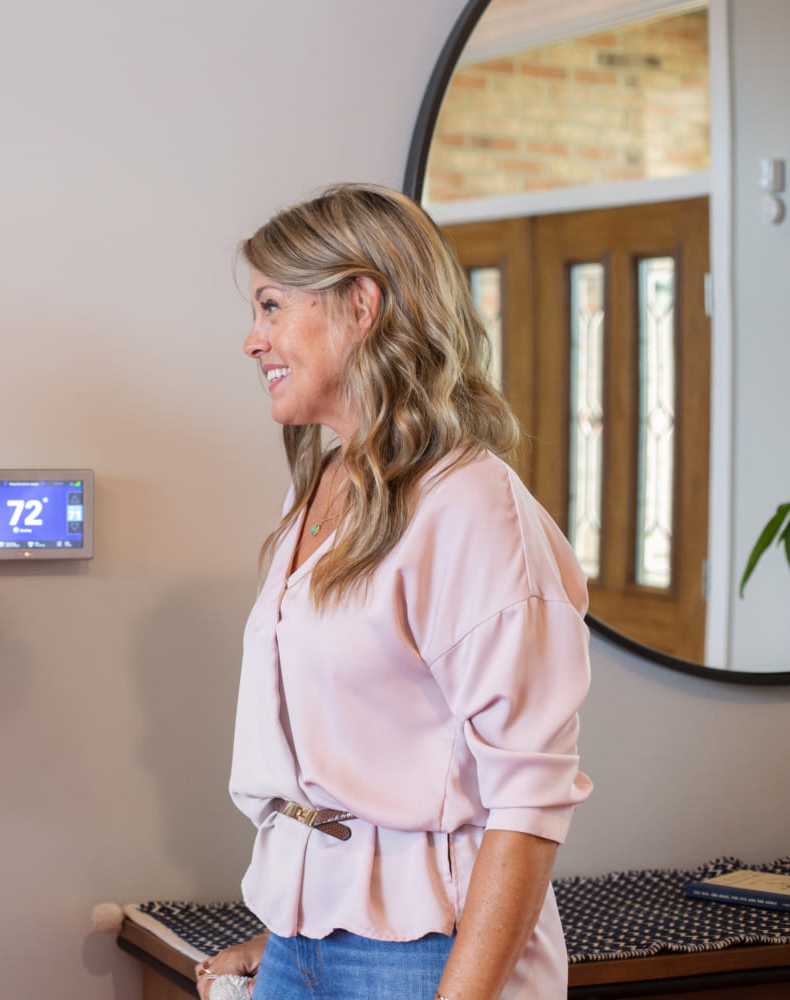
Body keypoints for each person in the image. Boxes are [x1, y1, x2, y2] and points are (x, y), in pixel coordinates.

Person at [195, 184, 591, 1000]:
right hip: (305, 945)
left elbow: (528, 800)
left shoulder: (471, 507)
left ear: (361, 304)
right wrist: (281, 939)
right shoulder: (324, 483)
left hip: (420, 960)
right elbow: (342, 769)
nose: (252, 339)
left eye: (272, 306)